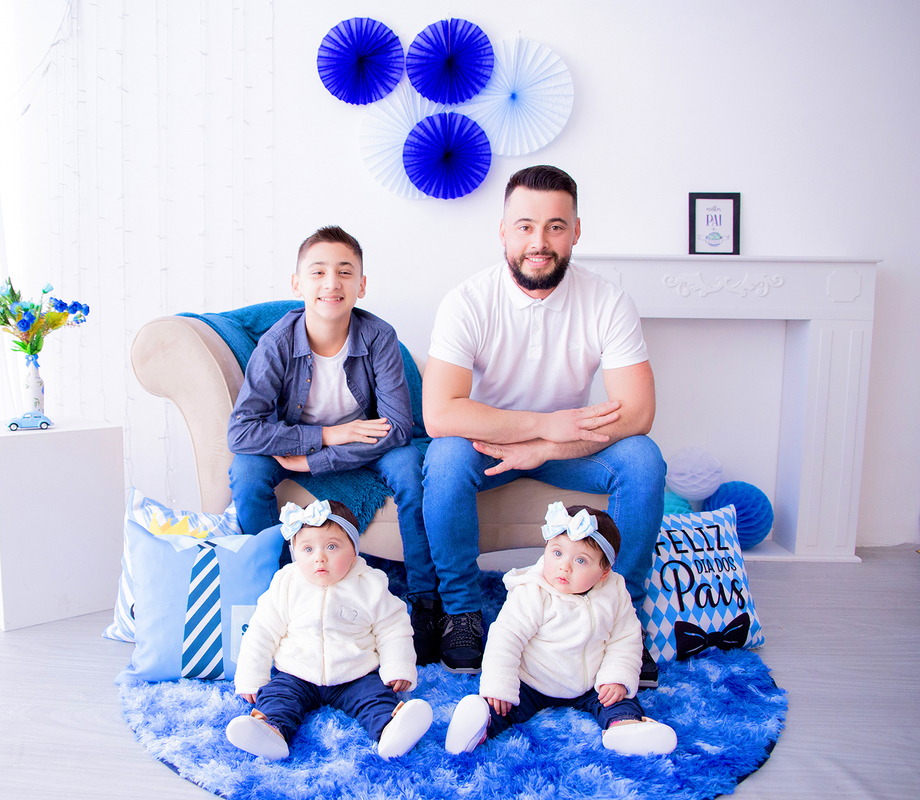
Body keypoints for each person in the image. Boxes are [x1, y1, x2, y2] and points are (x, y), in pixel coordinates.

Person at [421, 165, 666, 679]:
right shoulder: (467, 301)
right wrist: (546, 424)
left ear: (576, 231)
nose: (540, 241)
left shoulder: (608, 300)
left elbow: (639, 412)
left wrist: (549, 445)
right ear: (504, 231)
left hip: (565, 453)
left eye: (556, 226)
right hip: (488, 448)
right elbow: (441, 413)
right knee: (443, 456)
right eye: (525, 226)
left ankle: (623, 615)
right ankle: (462, 612)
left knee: (643, 459)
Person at [228, 225, 442, 662]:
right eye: (318, 272)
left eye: (345, 273)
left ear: (361, 285)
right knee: (247, 470)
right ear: (297, 284)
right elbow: (242, 432)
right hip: (301, 441)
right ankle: (276, 593)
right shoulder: (275, 346)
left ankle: (425, 600)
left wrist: (316, 461)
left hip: (367, 444)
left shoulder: (379, 336)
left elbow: (399, 427)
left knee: (409, 469)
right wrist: (323, 437)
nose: (331, 283)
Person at [444, 503, 676, 757]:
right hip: (533, 681)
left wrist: (616, 676)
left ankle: (625, 728)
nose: (565, 567)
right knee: (503, 705)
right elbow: (506, 638)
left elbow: (625, 638)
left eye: (580, 560)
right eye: (557, 553)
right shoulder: (533, 591)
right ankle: (478, 725)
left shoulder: (614, 591)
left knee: (617, 699)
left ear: (603, 573)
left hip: (590, 683)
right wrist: (498, 686)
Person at [227, 500, 433, 760]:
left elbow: (393, 629)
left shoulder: (370, 584)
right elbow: (261, 632)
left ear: (354, 551)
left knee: (375, 698)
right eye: (308, 549)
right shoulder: (287, 583)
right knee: (277, 698)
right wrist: (251, 677)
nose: (319, 557)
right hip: (296, 672)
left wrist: (398, 669)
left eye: (332, 546)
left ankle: (391, 730)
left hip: (354, 673)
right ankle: (270, 731)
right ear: (295, 553)